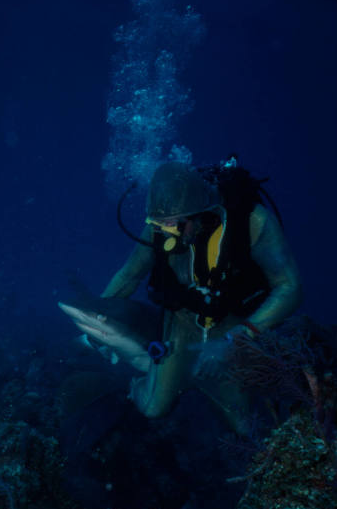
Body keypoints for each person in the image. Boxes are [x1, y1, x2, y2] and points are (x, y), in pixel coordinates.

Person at [101, 158, 302, 434]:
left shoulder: (254, 222)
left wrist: (236, 339)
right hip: (182, 324)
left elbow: (289, 287)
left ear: (198, 213)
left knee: (245, 428)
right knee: (153, 408)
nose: (164, 235)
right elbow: (129, 275)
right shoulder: (162, 227)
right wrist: (97, 315)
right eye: (157, 226)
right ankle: (143, 383)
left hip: (232, 325)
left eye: (173, 226)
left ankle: (211, 391)